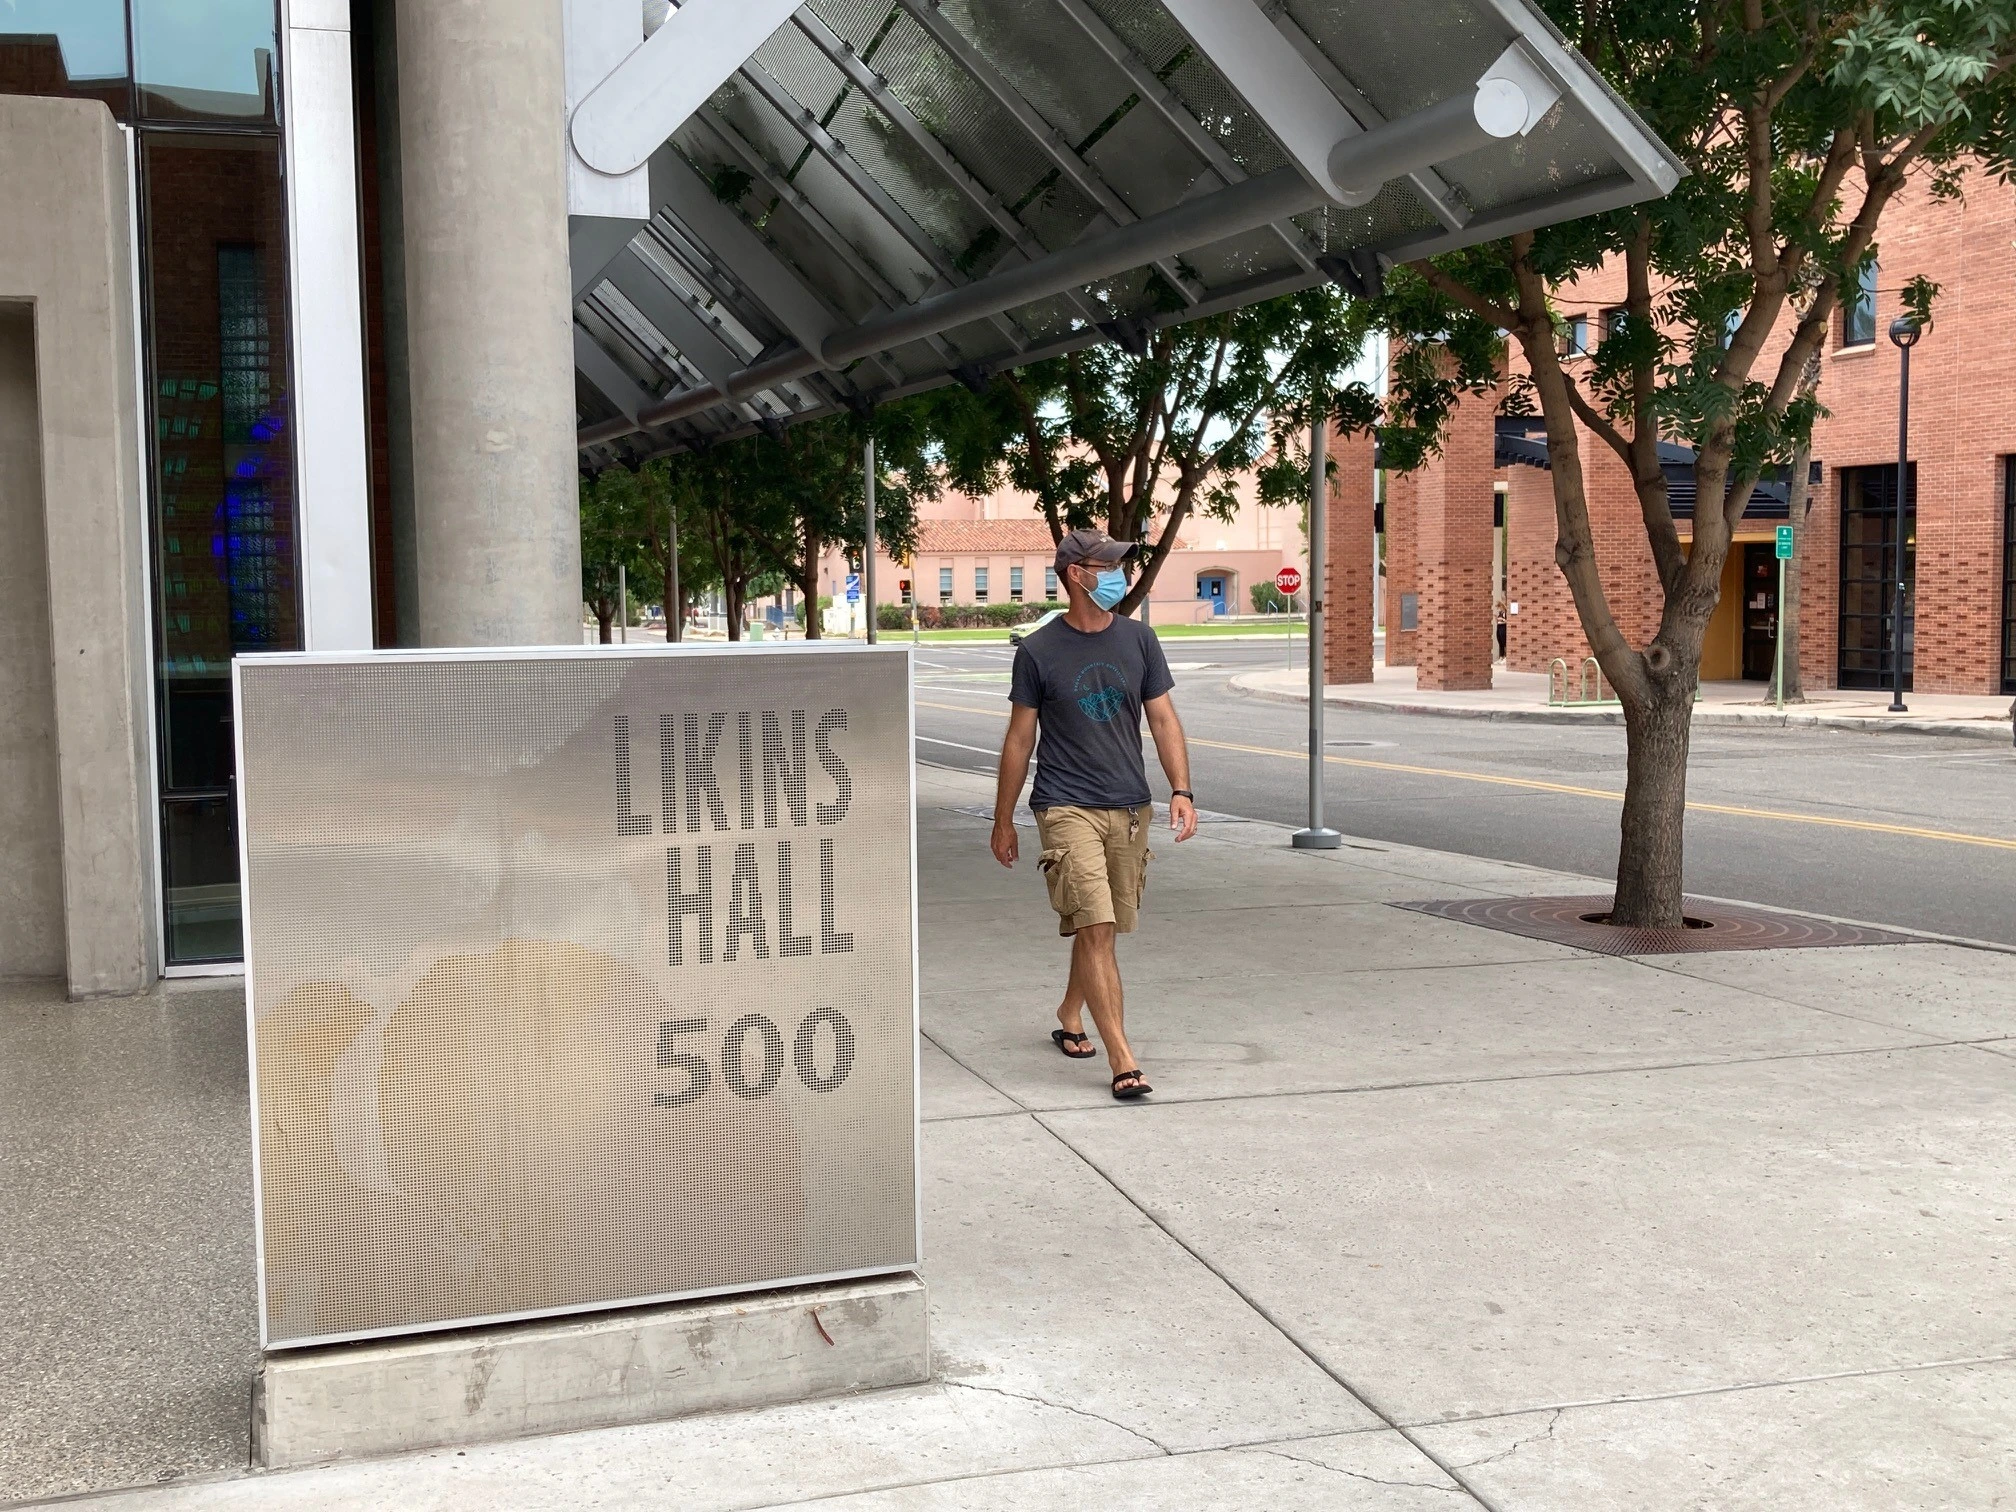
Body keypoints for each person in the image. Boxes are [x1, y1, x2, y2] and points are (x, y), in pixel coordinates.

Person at [990, 528, 1198, 1100]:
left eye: (1119, 563)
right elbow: (1019, 739)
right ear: (1075, 574)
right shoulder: (1038, 651)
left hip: (1130, 807)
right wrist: (1003, 818)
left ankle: (1069, 1011)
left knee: (1104, 926)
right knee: (1097, 925)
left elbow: (1162, 718)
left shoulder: (1139, 640)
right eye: (1105, 564)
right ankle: (1123, 1059)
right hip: (1064, 805)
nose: (1118, 573)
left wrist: (1181, 789)